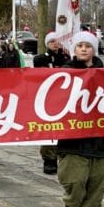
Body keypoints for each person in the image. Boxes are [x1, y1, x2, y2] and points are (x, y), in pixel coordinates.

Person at [57, 31, 104, 207]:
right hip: (73, 142)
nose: (84, 49)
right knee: (75, 183)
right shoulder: (64, 74)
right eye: (80, 45)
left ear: (94, 49)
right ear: (74, 49)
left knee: (95, 189)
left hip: (100, 142)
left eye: (88, 46)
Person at [33, 32, 71, 175]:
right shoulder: (41, 59)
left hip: (64, 97)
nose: (55, 44)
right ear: (47, 44)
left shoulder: (66, 58)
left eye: (57, 41)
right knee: (49, 128)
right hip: (48, 98)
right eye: (52, 42)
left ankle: (61, 156)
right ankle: (49, 159)